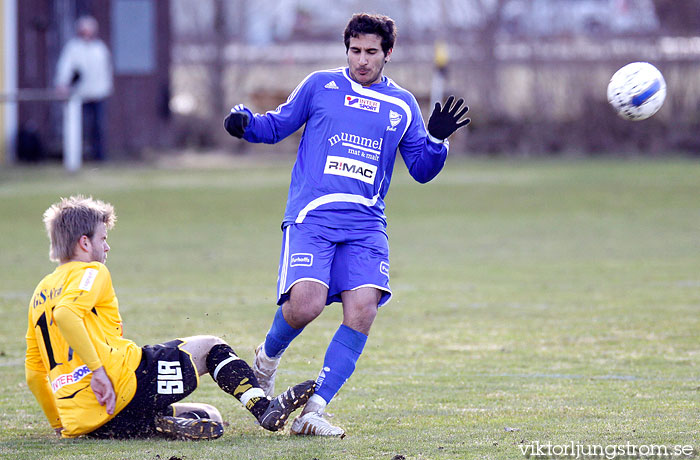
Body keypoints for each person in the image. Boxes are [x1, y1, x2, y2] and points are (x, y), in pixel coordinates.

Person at [223, 13, 470, 437]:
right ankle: (265, 360)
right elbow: (277, 124)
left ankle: (313, 411)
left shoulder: (402, 105)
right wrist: (246, 125)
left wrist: (437, 140)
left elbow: (423, 170)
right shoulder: (320, 85)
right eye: (355, 50)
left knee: (362, 311)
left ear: (387, 53)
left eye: (371, 52)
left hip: (367, 225)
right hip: (313, 217)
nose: (361, 60)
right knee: (305, 306)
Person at [25, 195, 315, 440]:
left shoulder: (40, 292)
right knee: (211, 347)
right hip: (125, 386)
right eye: (104, 238)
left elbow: (35, 372)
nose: (107, 247)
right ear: (84, 243)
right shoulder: (91, 271)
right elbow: (66, 313)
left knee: (209, 416)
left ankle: (152, 424)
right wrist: (98, 372)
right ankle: (263, 408)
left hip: (88, 421)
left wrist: (59, 422)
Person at [55, 16, 113, 161]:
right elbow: (65, 67)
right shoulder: (73, 48)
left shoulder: (100, 49)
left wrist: (106, 89)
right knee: (78, 127)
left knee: (98, 127)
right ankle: (77, 157)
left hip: (98, 94)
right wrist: (62, 84)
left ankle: (98, 157)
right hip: (80, 95)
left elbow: (106, 70)